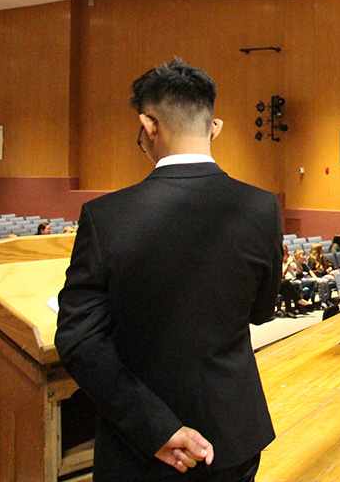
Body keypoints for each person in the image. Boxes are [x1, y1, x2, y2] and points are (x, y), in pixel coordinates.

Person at [55, 58, 280, 482]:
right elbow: (261, 312)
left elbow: (78, 339)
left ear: (149, 124)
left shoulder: (105, 216)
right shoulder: (262, 207)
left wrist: (157, 428)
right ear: (214, 127)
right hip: (231, 431)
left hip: (138, 443)